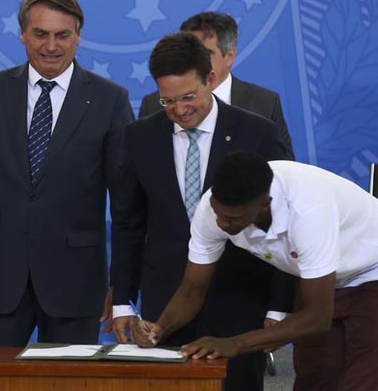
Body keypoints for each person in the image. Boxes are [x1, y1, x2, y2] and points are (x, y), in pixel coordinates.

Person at [0, 0, 134, 346]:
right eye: (40, 34)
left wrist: (122, 286)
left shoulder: (110, 99)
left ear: (78, 36)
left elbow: (126, 203)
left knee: (69, 377)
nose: (51, 46)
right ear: (22, 34)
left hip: (77, 281)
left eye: (62, 35)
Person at [109, 32, 293, 391]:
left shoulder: (258, 133)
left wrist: (278, 308)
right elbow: (128, 224)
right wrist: (122, 304)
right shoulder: (139, 137)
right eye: (167, 100)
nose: (179, 110)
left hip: (240, 300)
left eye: (188, 97)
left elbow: (283, 223)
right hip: (166, 303)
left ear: (210, 79)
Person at [133, 150, 378, 391]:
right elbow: (192, 289)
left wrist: (234, 344)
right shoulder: (212, 209)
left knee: (362, 381)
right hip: (320, 281)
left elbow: (318, 316)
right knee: (314, 379)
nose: (221, 223)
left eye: (233, 218)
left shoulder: (308, 209)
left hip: (372, 272)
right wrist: (160, 328)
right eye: (218, 213)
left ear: (264, 205)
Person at [138, 11, 294, 159]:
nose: (194, 61)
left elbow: (283, 170)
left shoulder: (264, 104)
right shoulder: (153, 105)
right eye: (188, 53)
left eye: (205, 53)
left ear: (229, 56)